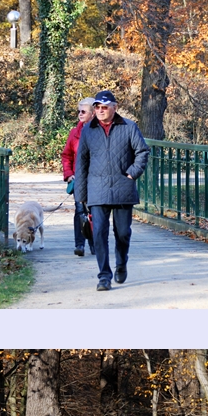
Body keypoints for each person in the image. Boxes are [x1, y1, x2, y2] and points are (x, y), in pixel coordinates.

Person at [74, 89, 150, 291]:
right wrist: (80, 196)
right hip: (96, 190)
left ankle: (121, 263)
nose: (100, 110)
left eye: (104, 107)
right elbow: (81, 162)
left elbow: (142, 151)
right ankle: (104, 276)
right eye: (97, 107)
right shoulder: (88, 130)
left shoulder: (129, 127)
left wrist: (132, 173)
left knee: (123, 233)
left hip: (123, 188)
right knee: (98, 232)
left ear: (114, 108)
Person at [62, 97, 96, 256]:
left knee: (95, 211)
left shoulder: (101, 132)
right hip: (79, 178)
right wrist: (69, 175)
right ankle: (79, 245)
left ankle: (94, 243)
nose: (79, 114)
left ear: (93, 113)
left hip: (97, 179)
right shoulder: (74, 133)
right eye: (79, 111)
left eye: (83, 111)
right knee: (80, 210)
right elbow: (66, 155)